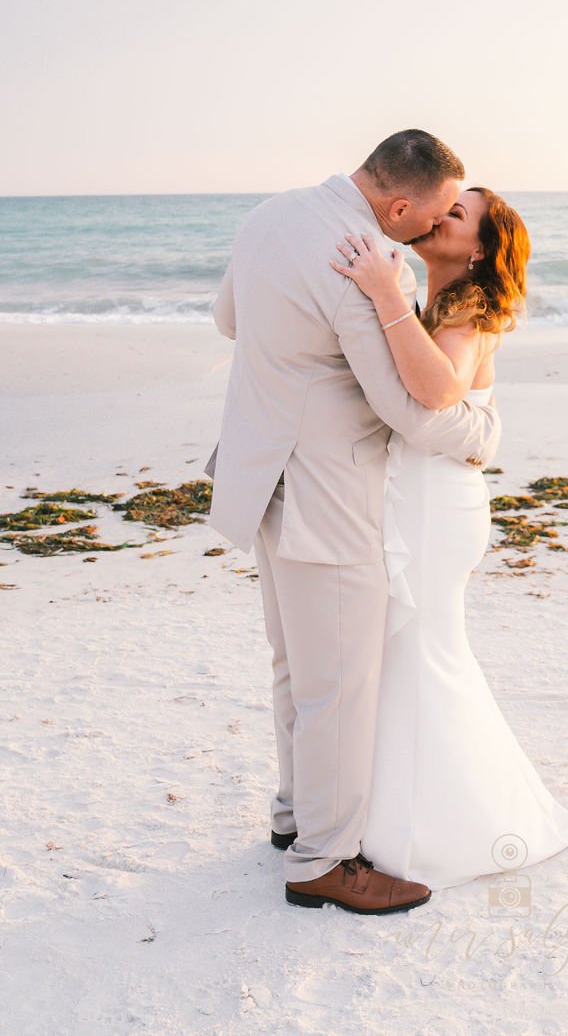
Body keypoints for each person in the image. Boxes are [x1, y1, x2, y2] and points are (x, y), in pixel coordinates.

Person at [204, 130, 502, 914]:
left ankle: (293, 813)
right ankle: (324, 860)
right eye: (433, 213)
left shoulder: (269, 216)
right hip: (323, 496)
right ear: (399, 204)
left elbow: (228, 318)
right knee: (339, 681)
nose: (433, 227)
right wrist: (481, 431)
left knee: (293, 666)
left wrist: (296, 358)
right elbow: (405, 406)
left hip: (256, 472)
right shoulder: (367, 261)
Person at [328, 184, 568, 888]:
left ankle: (436, 831)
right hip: (418, 496)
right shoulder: (432, 304)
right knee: (411, 649)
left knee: (420, 650)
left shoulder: (475, 308)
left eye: (458, 213)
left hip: (437, 508)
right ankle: (396, 815)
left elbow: (437, 392)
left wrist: (382, 293)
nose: (440, 214)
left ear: (478, 249)